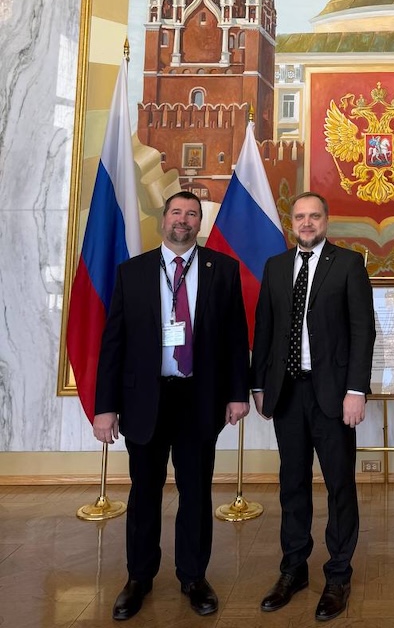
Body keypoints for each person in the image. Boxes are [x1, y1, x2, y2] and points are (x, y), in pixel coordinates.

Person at [93, 191, 250, 621]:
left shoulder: (223, 270)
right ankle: (138, 578)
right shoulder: (132, 271)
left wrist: (237, 393)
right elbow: (114, 344)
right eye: (177, 212)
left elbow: (236, 338)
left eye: (192, 213)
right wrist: (105, 407)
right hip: (144, 400)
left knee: (196, 492)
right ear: (164, 220)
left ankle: (194, 577)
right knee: (144, 492)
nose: (184, 219)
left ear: (199, 222)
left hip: (200, 399)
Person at [251, 191, 375, 622]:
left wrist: (356, 390)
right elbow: (264, 329)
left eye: (314, 216)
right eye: (300, 216)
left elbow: (363, 331)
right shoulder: (275, 266)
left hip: (334, 396)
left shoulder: (349, 265)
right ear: (292, 222)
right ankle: (293, 569)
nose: (307, 223)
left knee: (339, 485)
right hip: (287, 393)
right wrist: (259, 384)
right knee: (292, 484)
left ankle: (338, 575)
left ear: (326, 220)